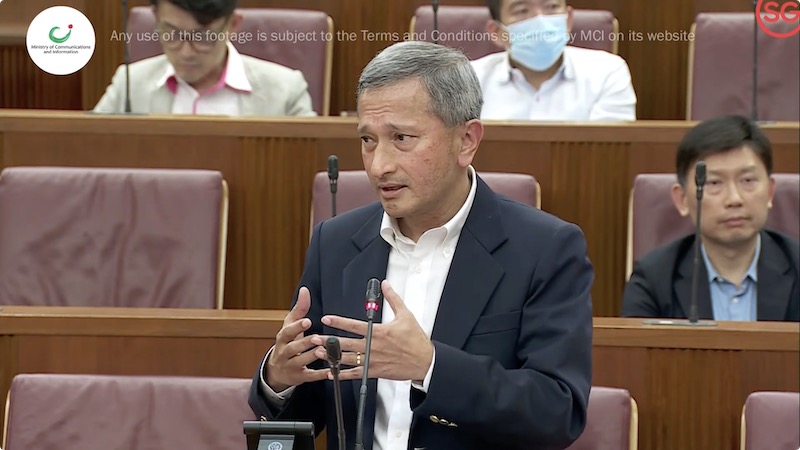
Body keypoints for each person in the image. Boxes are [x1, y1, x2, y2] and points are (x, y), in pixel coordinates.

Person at [248, 41, 594, 450]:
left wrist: (430, 366)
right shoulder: (336, 243)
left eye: (401, 138)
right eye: (368, 140)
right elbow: (311, 415)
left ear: (466, 140)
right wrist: (279, 378)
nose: (379, 166)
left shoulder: (544, 248)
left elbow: (557, 411)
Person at [622, 115, 799, 321]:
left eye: (748, 180)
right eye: (714, 183)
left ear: (769, 192)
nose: (734, 198)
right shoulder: (653, 279)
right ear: (682, 199)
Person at [93, 0, 315, 116]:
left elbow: (311, 171)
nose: (186, 52)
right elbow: (91, 153)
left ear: (233, 25)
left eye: (203, 37)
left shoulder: (285, 91)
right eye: (172, 34)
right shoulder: (130, 83)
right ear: (156, 18)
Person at [471, 0, 636, 121]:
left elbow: (609, 151)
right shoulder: (469, 80)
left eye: (551, 7)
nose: (540, 20)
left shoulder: (608, 73)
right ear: (496, 32)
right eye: (522, 11)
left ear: (568, 20)